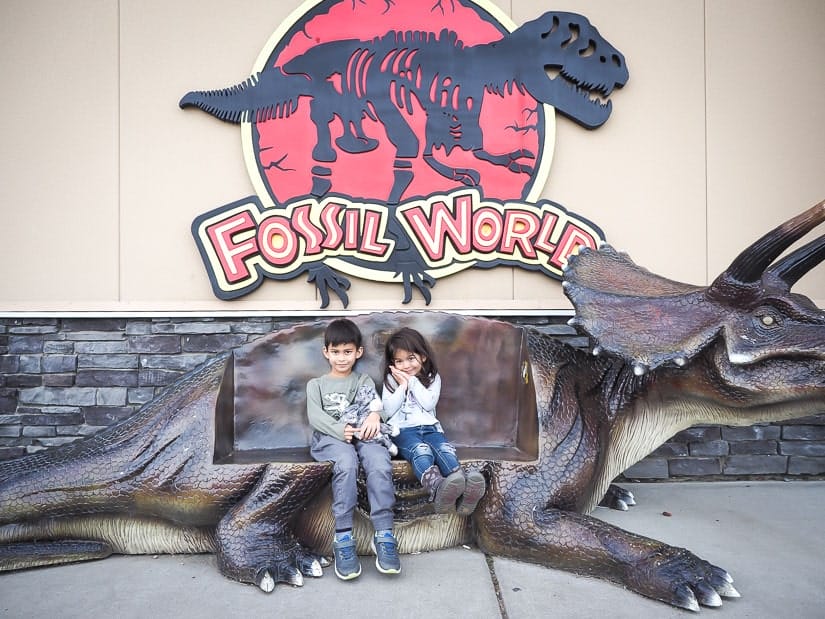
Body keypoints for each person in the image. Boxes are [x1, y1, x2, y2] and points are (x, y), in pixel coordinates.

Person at [306, 318, 401, 580]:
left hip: (363, 434)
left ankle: (384, 533)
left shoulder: (363, 381)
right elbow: (315, 417)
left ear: (358, 352)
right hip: (330, 439)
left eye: (347, 352)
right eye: (335, 352)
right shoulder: (317, 385)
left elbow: (374, 406)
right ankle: (343, 537)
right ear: (326, 352)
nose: (341, 358)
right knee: (346, 465)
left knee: (379, 463)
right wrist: (340, 431)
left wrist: (374, 418)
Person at [381, 327, 486, 515]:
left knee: (444, 450)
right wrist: (403, 385)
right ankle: (438, 488)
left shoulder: (432, 378)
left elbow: (428, 403)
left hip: (431, 429)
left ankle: (462, 491)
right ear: (392, 364)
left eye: (410, 358)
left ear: (423, 357)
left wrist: (412, 382)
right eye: (399, 361)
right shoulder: (391, 380)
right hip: (403, 432)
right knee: (421, 451)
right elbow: (388, 410)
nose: (405, 365)